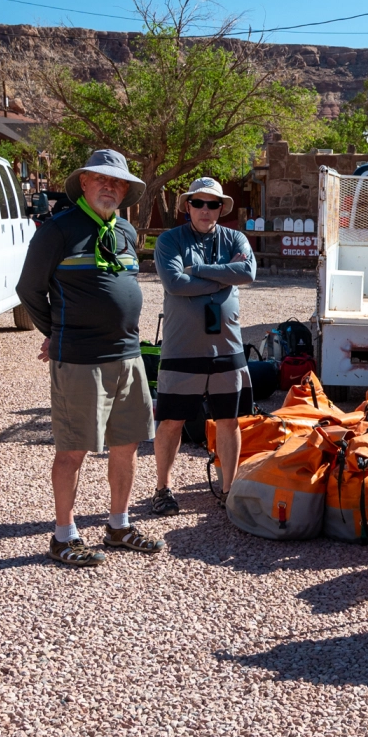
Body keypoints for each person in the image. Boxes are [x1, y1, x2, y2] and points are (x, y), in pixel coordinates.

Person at [16, 148, 164, 567]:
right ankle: (64, 535)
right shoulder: (58, 230)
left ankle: (118, 525)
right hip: (80, 360)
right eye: (102, 179)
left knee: (127, 443)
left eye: (117, 182)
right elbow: (29, 291)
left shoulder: (125, 233)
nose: (110, 187)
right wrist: (57, 333)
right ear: (84, 182)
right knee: (73, 449)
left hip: (129, 356)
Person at [149, 176, 255, 516]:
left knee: (228, 420)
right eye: (199, 203)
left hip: (227, 348)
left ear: (221, 208)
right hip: (182, 350)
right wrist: (224, 277)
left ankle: (229, 490)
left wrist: (202, 270)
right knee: (171, 422)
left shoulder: (235, 237)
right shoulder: (169, 240)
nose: (206, 210)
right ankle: (162, 489)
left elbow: (248, 271)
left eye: (213, 204)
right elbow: (175, 282)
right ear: (187, 206)